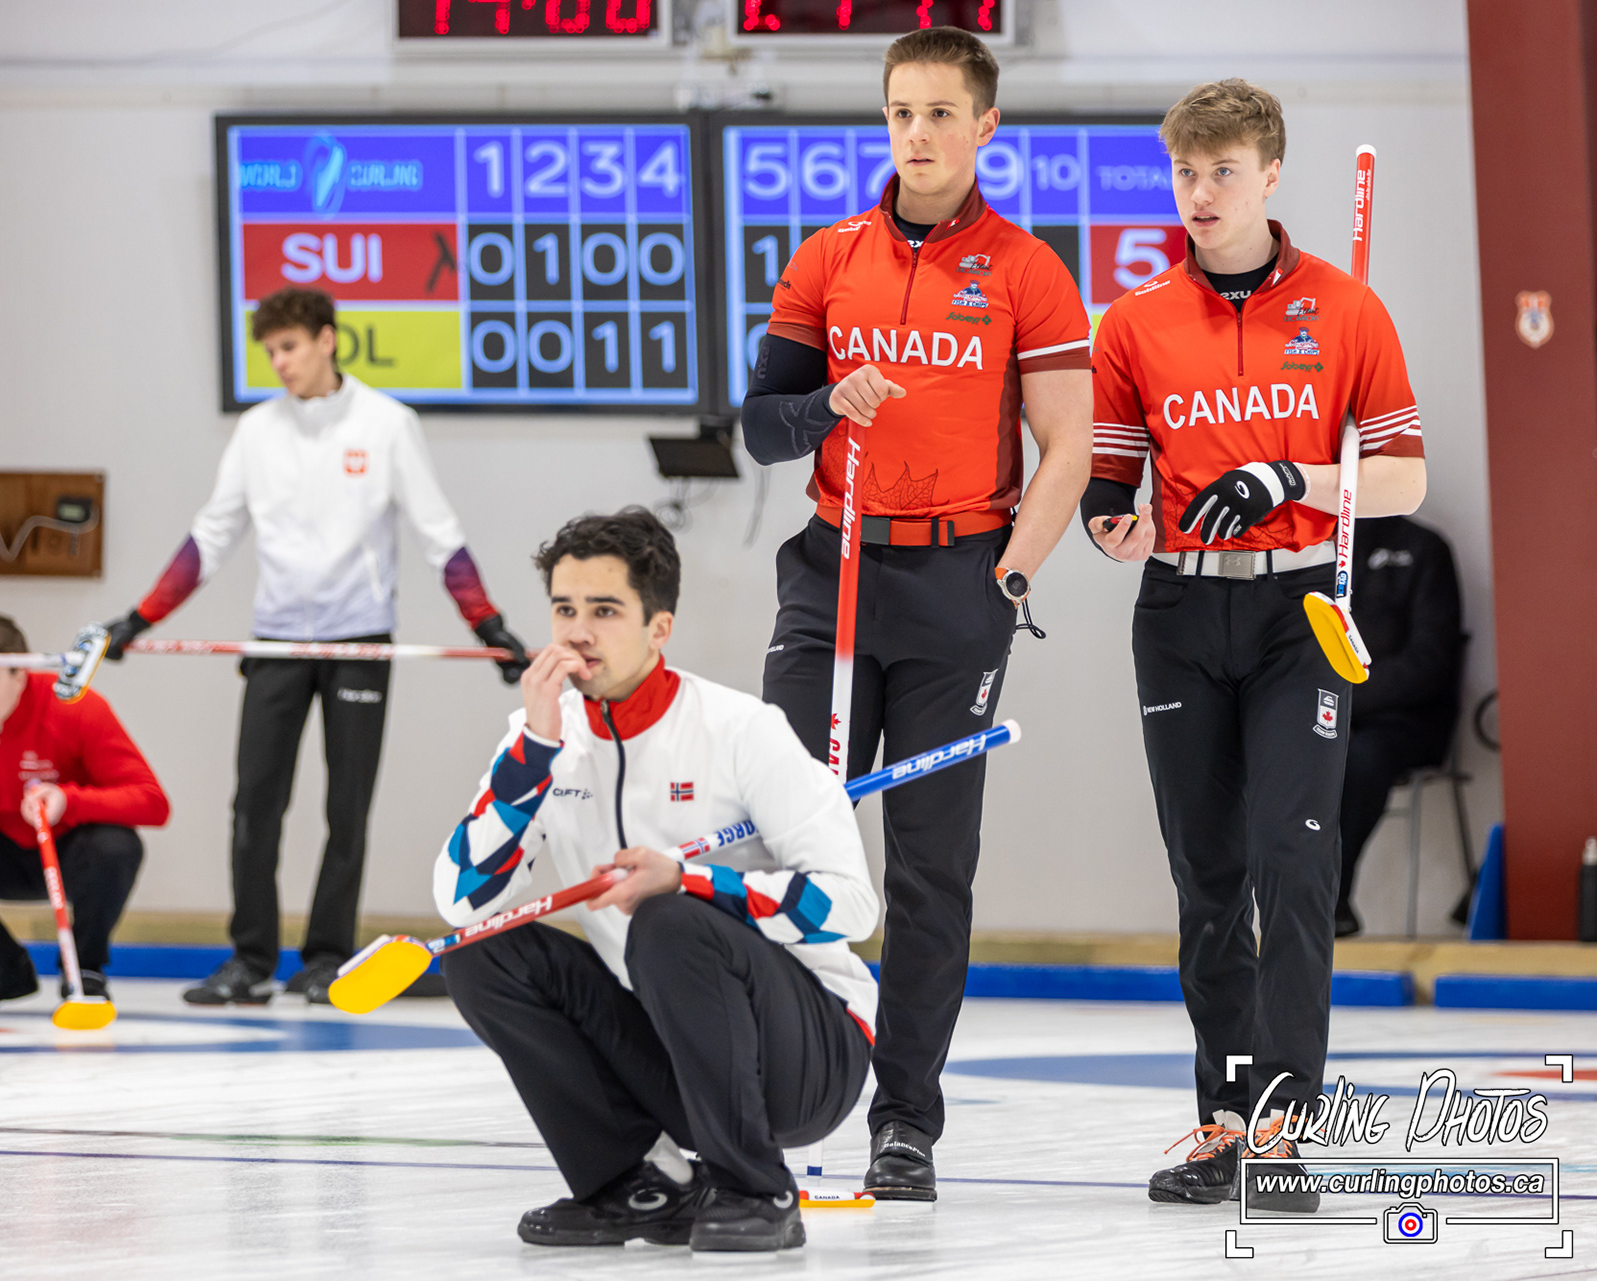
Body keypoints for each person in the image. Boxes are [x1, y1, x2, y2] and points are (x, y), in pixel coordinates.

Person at [739, 27, 1092, 1199]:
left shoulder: (1029, 271)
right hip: (832, 576)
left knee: (931, 872)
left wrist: (1011, 578)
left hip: (958, 590)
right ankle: (757, 1101)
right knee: (786, 838)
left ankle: (905, 1126)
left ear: (985, 126)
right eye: (901, 112)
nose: (918, 134)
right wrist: (827, 407)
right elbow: (762, 425)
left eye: (941, 113)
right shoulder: (828, 256)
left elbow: (1070, 446)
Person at [1082, 80, 1426, 1208]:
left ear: (1270, 175)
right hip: (1180, 615)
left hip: (1301, 613)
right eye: (1186, 172)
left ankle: (1282, 1133)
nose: (1200, 192)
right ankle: (1222, 1122)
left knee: (1293, 860)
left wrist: (1296, 478)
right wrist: (1109, 523)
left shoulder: (1347, 307)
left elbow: (1405, 477)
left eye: (1222, 171)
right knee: (1209, 874)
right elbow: (1108, 478)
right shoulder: (1134, 320)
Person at [435, 508, 878, 1253]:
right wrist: (535, 752)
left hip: (809, 1054)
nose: (577, 632)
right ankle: (637, 1185)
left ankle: (756, 1188)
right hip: (672, 1045)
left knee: (668, 919)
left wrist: (693, 882)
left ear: (658, 628)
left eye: (604, 611)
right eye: (564, 609)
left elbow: (853, 908)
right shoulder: (543, 738)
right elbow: (460, 899)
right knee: (481, 949)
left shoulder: (741, 730)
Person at [99, 287, 530, 1006]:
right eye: (271, 351)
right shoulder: (256, 431)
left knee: (346, 810)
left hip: (359, 641)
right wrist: (137, 619)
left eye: (290, 347)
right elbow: (211, 535)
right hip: (276, 641)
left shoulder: (388, 424)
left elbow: (439, 534)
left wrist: (488, 625)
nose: (280, 363)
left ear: (327, 339)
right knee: (253, 805)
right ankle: (249, 960)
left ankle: (327, 957)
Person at [0, 612, 170, 1004]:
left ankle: (84, 969)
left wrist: (69, 800)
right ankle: (2, 967)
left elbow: (153, 802)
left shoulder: (74, 707)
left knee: (116, 846)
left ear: (21, 674)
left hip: (69, 850)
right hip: (2, 849)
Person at [1336, 516, 1465, 936]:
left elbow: (1431, 661)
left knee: (1358, 758)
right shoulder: (1315, 546)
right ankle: (1271, 899)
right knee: (1267, 750)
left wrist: (1347, 701)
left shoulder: (1424, 548)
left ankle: (1329, 900)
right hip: (1329, 715)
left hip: (1407, 720)